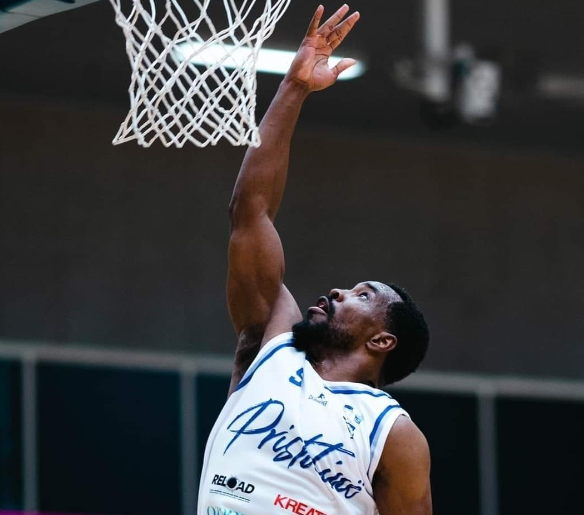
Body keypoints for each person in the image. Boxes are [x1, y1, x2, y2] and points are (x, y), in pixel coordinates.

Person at [198, 5, 432, 515]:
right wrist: (294, 87)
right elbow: (251, 212)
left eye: (363, 295)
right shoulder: (272, 343)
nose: (339, 291)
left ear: (382, 340)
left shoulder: (392, 432)